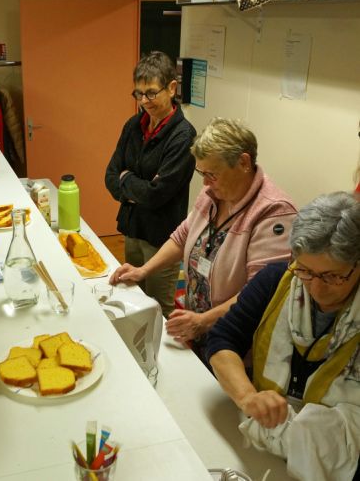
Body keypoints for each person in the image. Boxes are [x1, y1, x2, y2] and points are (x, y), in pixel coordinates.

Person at [110, 118, 297, 361]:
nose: (206, 183)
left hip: (236, 341)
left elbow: (259, 293)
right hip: (200, 327)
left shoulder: (274, 213)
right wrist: (143, 270)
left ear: (243, 162)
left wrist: (204, 321)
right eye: (201, 173)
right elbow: (182, 237)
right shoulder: (213, 193)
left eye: (212, 174)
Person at [206, 192, 360, 481]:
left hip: (339, 462)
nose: (316, 289)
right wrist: (248, 397)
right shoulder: (278, 279)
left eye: (332, 276)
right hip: (265, 440)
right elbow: (222, 339)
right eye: (306, 271)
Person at [105, 51, 197, 317]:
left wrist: (127, 179)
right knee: (134, 297)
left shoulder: (183, 136)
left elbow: (157, 195)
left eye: (151, 93)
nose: (144, 101)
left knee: (159, 307)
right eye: (139, 93)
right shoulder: (133, 125)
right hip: (133, 228)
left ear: (172, 88)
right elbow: (110, 176)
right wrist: (136, 186)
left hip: (162, 238)